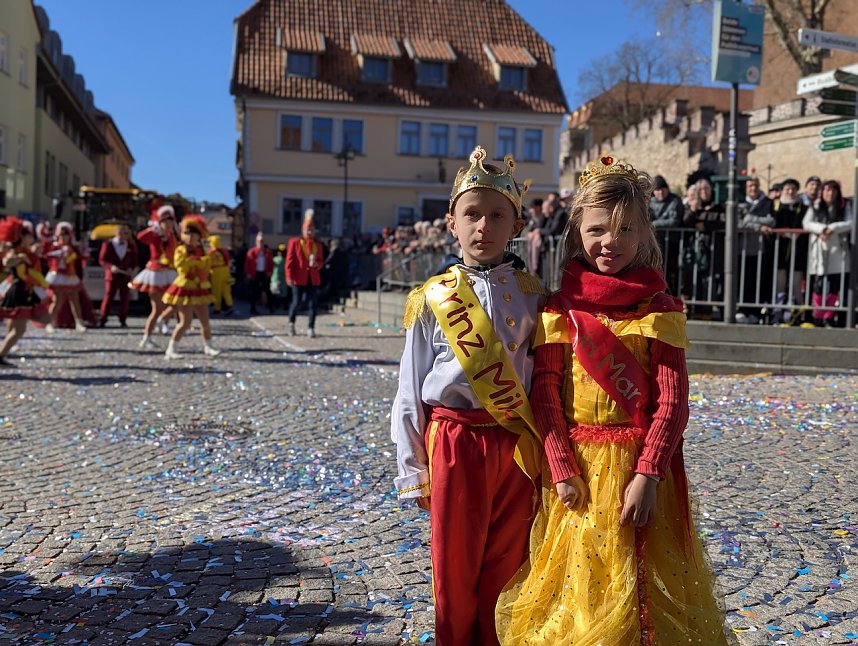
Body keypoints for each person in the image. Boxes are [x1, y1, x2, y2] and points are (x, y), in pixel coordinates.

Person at [495, 154, 728, 645]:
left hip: (639, 473)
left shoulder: (659, 308)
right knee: (577, 590)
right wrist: (560, 468)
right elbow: (546, 395)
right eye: (598, 229)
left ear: (644, 233)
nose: (609, 243)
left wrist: (648, 474)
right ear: (577, 228)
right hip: (577, 471)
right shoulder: (561, 309)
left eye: (624, 230)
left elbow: (672, 402)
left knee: (639, 586)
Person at [391, 145, 545, 646]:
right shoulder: (431, 297)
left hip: (514, 440)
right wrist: (412, 470)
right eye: (472, 214)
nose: (484, 226)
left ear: (516, 225)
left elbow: (543, 375)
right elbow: (409, 390)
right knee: (454, 567)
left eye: (497, 215)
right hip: (454, 442)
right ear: (451, 224)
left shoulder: (534, 295)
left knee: (508, 563)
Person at [162, 215, 220, 359]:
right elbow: (181, 266)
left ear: (198, 236)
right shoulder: (181, 249)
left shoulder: (202, 250)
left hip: (199, 288)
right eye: (186, 233)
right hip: (185, 288)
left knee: (205, 322)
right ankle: (171, 349)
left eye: (192, 233)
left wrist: (197, 261)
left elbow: (207, 264)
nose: (189, 237)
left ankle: (208, 347)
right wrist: (196, 262)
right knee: (185, 322)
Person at [0, 217, 52, 366]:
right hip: (19, 291)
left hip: (29, 290)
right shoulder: (15, 251)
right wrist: (19, 258)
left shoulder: (28, 251)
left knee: (44, 319)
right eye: (29, 236)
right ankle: (1, 355)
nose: (32, 238)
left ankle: (2, 353)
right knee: (19, 329)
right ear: (22, 237)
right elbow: (7, 262)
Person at [803, 180, 852, 327]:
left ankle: (830, 317)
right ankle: (818, 316)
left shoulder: (844, 206)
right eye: (826, 191)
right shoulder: (816, 206)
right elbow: (806, 223)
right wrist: (822, 229)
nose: (829, 194)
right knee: (818, 287)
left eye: (833, 191)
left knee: (835, 286)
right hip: (819, 251)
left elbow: (850, 222)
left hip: (838, 251)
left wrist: (833, 228)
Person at [130, 204, 178, 348]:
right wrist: (153, 228)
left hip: (170, 272)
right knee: (157, 308)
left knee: (177, 302)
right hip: (156, 273)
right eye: (166, 221)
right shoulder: (155, 234)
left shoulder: (173, 235)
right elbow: (140, 237)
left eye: (171, 221)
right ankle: (146, 337)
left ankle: (162, 320)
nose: (169, 224)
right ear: (161, 222)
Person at [736, 176, 775, 324]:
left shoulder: (767, 202)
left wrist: (749, 219)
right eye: (750, 185)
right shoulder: (739, 203)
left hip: (760, 248)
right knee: (743, 280)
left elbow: (771, 220)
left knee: (758, 280)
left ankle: (755, 312)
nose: (753, 188)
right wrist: (758, 226)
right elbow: (738, 222)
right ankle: (742, 310)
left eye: (755, 185)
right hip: (742, 248)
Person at [770, 178, 808, 325]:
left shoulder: (802, 207)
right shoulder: (776, 206)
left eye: (793, 189)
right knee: (780, 282)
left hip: (797, 251)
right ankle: (777, 313)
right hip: (779, 251)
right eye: (787, 189)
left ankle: (797, 314)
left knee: (796, 284)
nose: (790, 192)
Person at [285, 210, 324, 338]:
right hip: (298, 277)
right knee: (296, 302)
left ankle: (311, 328)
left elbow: (321, 262)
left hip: (312, 278)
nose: (309, 232)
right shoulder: (294, 242)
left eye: (311, 230)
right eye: (307, 230)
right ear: (302, 230)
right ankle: (291, 324)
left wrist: (317, 264)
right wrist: (289, 276)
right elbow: (290, 260)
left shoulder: (318, 245)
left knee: (313, 304)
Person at [44, 221, 87, 332]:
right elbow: (47, 257)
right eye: (62, 234)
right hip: (57, 275)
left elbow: (80, 259)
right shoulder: (54, 247)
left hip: (70, 276)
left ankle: (79, 322)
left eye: (66, 234)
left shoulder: (73, 248)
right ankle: (50, 323)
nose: (64, 237)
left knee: (75, 300)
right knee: (57, 300)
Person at [648, 174, 684, 295]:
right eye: (657, 190)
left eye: (662, 189)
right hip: (655, 243)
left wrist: (654, 224)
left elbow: (674, 221)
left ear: (667, 189)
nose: (660, 193)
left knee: (672, 273)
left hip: (672, 243)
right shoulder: (650, 203)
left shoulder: (675, 200)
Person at [98, 224, 138, 328]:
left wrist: (131, 269)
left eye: (125, 233)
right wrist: (111, 267)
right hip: (112, 275)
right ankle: (103, 318)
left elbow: (134, 260)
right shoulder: (108, 244)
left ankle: (123, 319)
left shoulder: (130, 245)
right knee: (109, 296)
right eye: (121, 233)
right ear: (116, 233)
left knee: (125, 298)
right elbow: (102, 260)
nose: (123, 236)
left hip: (125, 275)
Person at [244, 232, 274, 315]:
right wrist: (248, 273)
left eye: (262, 241)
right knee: (253, 292)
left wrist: (270, 272)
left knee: (268, 291)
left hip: (264, 273)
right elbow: (247, 263)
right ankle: (252, 308)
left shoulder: (267, 252)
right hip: (255, 273)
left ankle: (270, 307)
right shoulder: (252, 251)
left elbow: (271, 264)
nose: (260, 242)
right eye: (259, 241)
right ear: (256, 241)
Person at [207, 235, 234, 316]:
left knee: (216, 291)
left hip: (216, 272)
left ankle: (217, 308)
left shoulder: (211, 252)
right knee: (226, 290)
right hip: (226, 272)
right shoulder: (224, 251)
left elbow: (207, 263)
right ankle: (230, 306)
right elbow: (229, 262)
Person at [270, 242, 289, 311]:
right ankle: (284, 306)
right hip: (283, 279)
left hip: (275, 278)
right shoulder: (286, 260)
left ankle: (274, 306)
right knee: (284, 294)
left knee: (274, 294)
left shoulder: (274, 259)